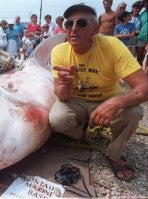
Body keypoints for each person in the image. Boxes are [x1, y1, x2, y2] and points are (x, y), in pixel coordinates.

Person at [49, 4, 148, 181]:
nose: (73, 29)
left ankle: (114, 154)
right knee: (57, 119)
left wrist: (117, 102)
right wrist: (65, 84)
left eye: (81, 23)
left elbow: (144, 87)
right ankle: (82, 133)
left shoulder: (112, 46)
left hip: (107, 98)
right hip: (77, 100)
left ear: (95, 29)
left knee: (134, 112)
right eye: (69, 23)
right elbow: (62, 96)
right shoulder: (59, 51)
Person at [137, 0, 148, 68]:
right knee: (139, 57)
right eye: (145, 2)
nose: (146, 4)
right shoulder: (142, 14)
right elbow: (140, 25)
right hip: (141, 37)